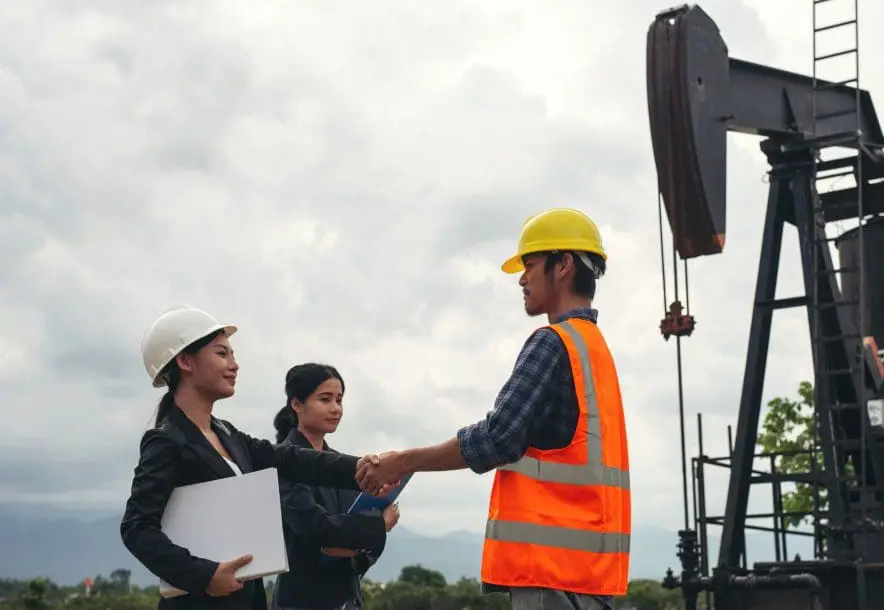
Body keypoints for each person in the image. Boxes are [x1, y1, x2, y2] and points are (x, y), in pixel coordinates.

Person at [355, 208, 631, 610]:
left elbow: (497, 438)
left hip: (551, 572)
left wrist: (403, 461)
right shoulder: (596, 351)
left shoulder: (553, 344)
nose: (521, 278)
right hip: (590, 576)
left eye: (531, 265)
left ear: (564, 264)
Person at [120, 305, 380, 610]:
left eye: (233, 355)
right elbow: (137, 528)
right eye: (222, 354)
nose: (234, 365)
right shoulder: (166, 441)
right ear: (185, 361)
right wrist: (204, 576)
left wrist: (365, 467)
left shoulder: (227, 434)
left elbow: (294, 460)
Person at [270, 362, 400, 610]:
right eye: (325, 399)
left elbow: (360, 540)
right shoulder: (281, 463)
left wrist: (355, 546)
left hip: (347, 599)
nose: (335, 409)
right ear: (297, 404)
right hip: (301, 600)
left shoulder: (343, 467)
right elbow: (315, 530)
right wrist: (378, 525)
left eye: (339, 400)